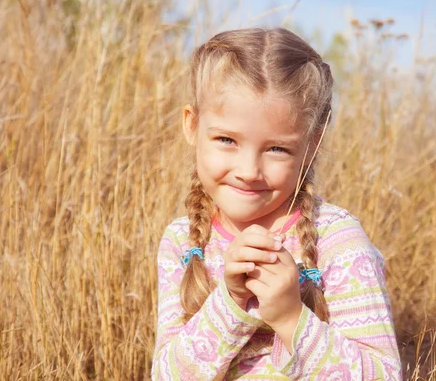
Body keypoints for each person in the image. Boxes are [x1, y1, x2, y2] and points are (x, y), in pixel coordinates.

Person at [151, 28, 401, 380]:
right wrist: (231, 300)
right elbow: (167, 375)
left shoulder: (337, 240)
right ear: (192, 126)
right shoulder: (182, 241)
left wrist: (290, 317)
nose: (249, 171)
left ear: (312, 144)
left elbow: (384, 375)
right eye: (226, 140)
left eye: (277, 149)